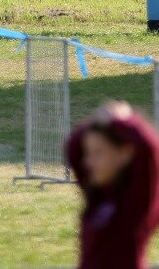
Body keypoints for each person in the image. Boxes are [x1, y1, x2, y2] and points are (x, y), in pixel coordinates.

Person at [65, 100, 159, 269]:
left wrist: (124, 121)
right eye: (88, 153)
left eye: (98, 153)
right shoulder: (98, 196)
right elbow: (73, 147)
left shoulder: (137, 204)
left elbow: (148, 149)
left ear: (125, 154)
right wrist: (97, 121)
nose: (88, 162)